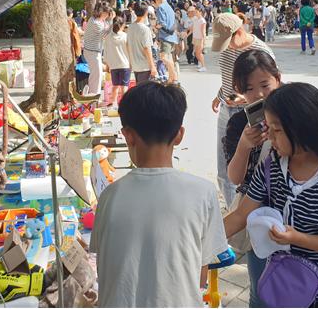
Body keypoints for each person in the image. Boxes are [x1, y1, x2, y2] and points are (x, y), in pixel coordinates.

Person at [224, 83, 318, 308]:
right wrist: (202, 238)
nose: (269, 135)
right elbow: (241, 215)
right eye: (268, 126)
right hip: (281, 278)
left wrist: (297, 238)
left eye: (276, 129)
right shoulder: (271, 167)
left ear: (303, 129)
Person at [90, 81, 228, 307]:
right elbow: (200, 278)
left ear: (128, 135)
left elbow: (105, 268)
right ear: (179, 135)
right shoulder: (204, 193)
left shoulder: (109, 197)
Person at [223, 50, 281, 307]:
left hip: (292, 211)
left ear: (278, 79)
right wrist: (245, 146)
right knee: (260, 290)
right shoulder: (238, 124)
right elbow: (235, 178)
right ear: (239, 90)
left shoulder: (294, 114)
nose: (258, 94)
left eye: (265, 85)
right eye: (249, 88)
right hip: (254, 213)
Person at [211, 13, 275, 208]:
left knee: (252, 163)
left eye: (228, 41)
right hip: (227, 109)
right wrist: (220, 95)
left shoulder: (260, 51)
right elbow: (228, 79)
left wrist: (246, 97)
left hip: (252, 112)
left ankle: (245, 207)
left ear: (238, 32)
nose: (227, 46)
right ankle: (233, 208)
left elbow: (271, 86)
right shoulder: (226, 50)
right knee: (224, 167)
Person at [83, 2, 114, 96]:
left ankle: (93, 96)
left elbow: (106, 28)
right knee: (97, 75)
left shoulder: (97, 20)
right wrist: (112, 20)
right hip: (92, 52)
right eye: (106, 13)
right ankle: (93, 97)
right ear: (101, 12)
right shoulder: (95, 22)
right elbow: (105, 34)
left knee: (96, 74)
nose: (107, 15)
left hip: (94, 51)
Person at [126, 1, 157, 84]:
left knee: (140, 90)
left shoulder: (130, 27)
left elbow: (128, 45)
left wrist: (130, 62)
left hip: (135, 65)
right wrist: (152, 66)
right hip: (145, 66)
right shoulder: (145, 29)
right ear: (146, 12)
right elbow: (147, 48)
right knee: (146, 92)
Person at [103, 17, 130, 108]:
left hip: (113, 65)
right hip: (124, 64)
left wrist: (107, 65)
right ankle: (125, 104)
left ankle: (112, 103)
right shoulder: (125, 36)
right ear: (122, 25)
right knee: (124, 87)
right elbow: (129, 50)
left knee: (115, 85)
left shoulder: (108, 37)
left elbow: (106, 53)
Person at [152, 0, 179, 83]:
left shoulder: (160, 8)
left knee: (163, 57)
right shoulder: (170, 7)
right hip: (172, 36)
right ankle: (171, 78)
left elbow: (162, 23)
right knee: (169, 57)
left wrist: (156, 27)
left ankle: (174, 76)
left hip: (166, 37)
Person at [188, 6, 207, 72]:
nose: (195, 13)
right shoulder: (195, 18)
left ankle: (203, 66)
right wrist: (187, 34)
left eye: (196, 11)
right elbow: (192, 28)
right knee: (196, 53)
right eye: (195, 11)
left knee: (199, 53)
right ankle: (200, 64)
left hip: (200, 38)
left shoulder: (202, 21)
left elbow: (203, 32)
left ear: (200, 12)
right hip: (195, 38)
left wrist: (204, 41)